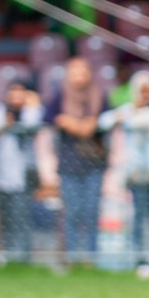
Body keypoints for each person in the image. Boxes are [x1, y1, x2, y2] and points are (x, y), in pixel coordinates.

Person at [99, 71, 149, 277]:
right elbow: (104, 122)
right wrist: (131, 110)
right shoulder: (130, 111)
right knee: (138, 218)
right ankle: (138, 258)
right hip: (136, 174)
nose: (145, 94)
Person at [45, 57, 107, 266]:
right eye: (75, 71)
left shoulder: (99, 96)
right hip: (69, 164)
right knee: (72, 212)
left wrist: (93, 123)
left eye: (83, 70)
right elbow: (47, 117)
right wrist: (66, 121)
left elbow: (109, 118)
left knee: (91, 211)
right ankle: (71, 258)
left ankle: (91, 258)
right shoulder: (60, 96)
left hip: (94, 162)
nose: (79, 75)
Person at [0, 81, 43, 264]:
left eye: (21, 93)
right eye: (13, 93)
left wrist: (32, 104)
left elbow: (33, 125)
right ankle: (8, 256)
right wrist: (5, 125)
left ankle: (23, 258)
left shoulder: (30, 111)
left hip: (23, 175)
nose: (16, 97)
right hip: (2, 173)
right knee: (5, 219)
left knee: (22, 218)